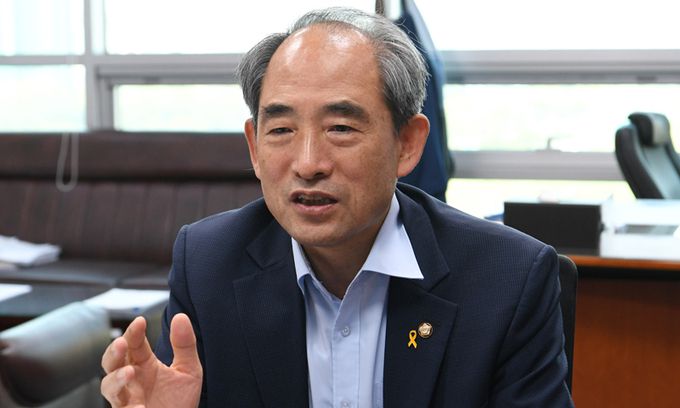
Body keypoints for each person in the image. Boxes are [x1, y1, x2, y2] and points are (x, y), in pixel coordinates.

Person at [101, 7, 574, 407]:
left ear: (408, 144)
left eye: (341, 128)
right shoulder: (207, 264)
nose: (308, 164)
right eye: (281, 130)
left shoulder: (509, 278)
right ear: (254, 147)